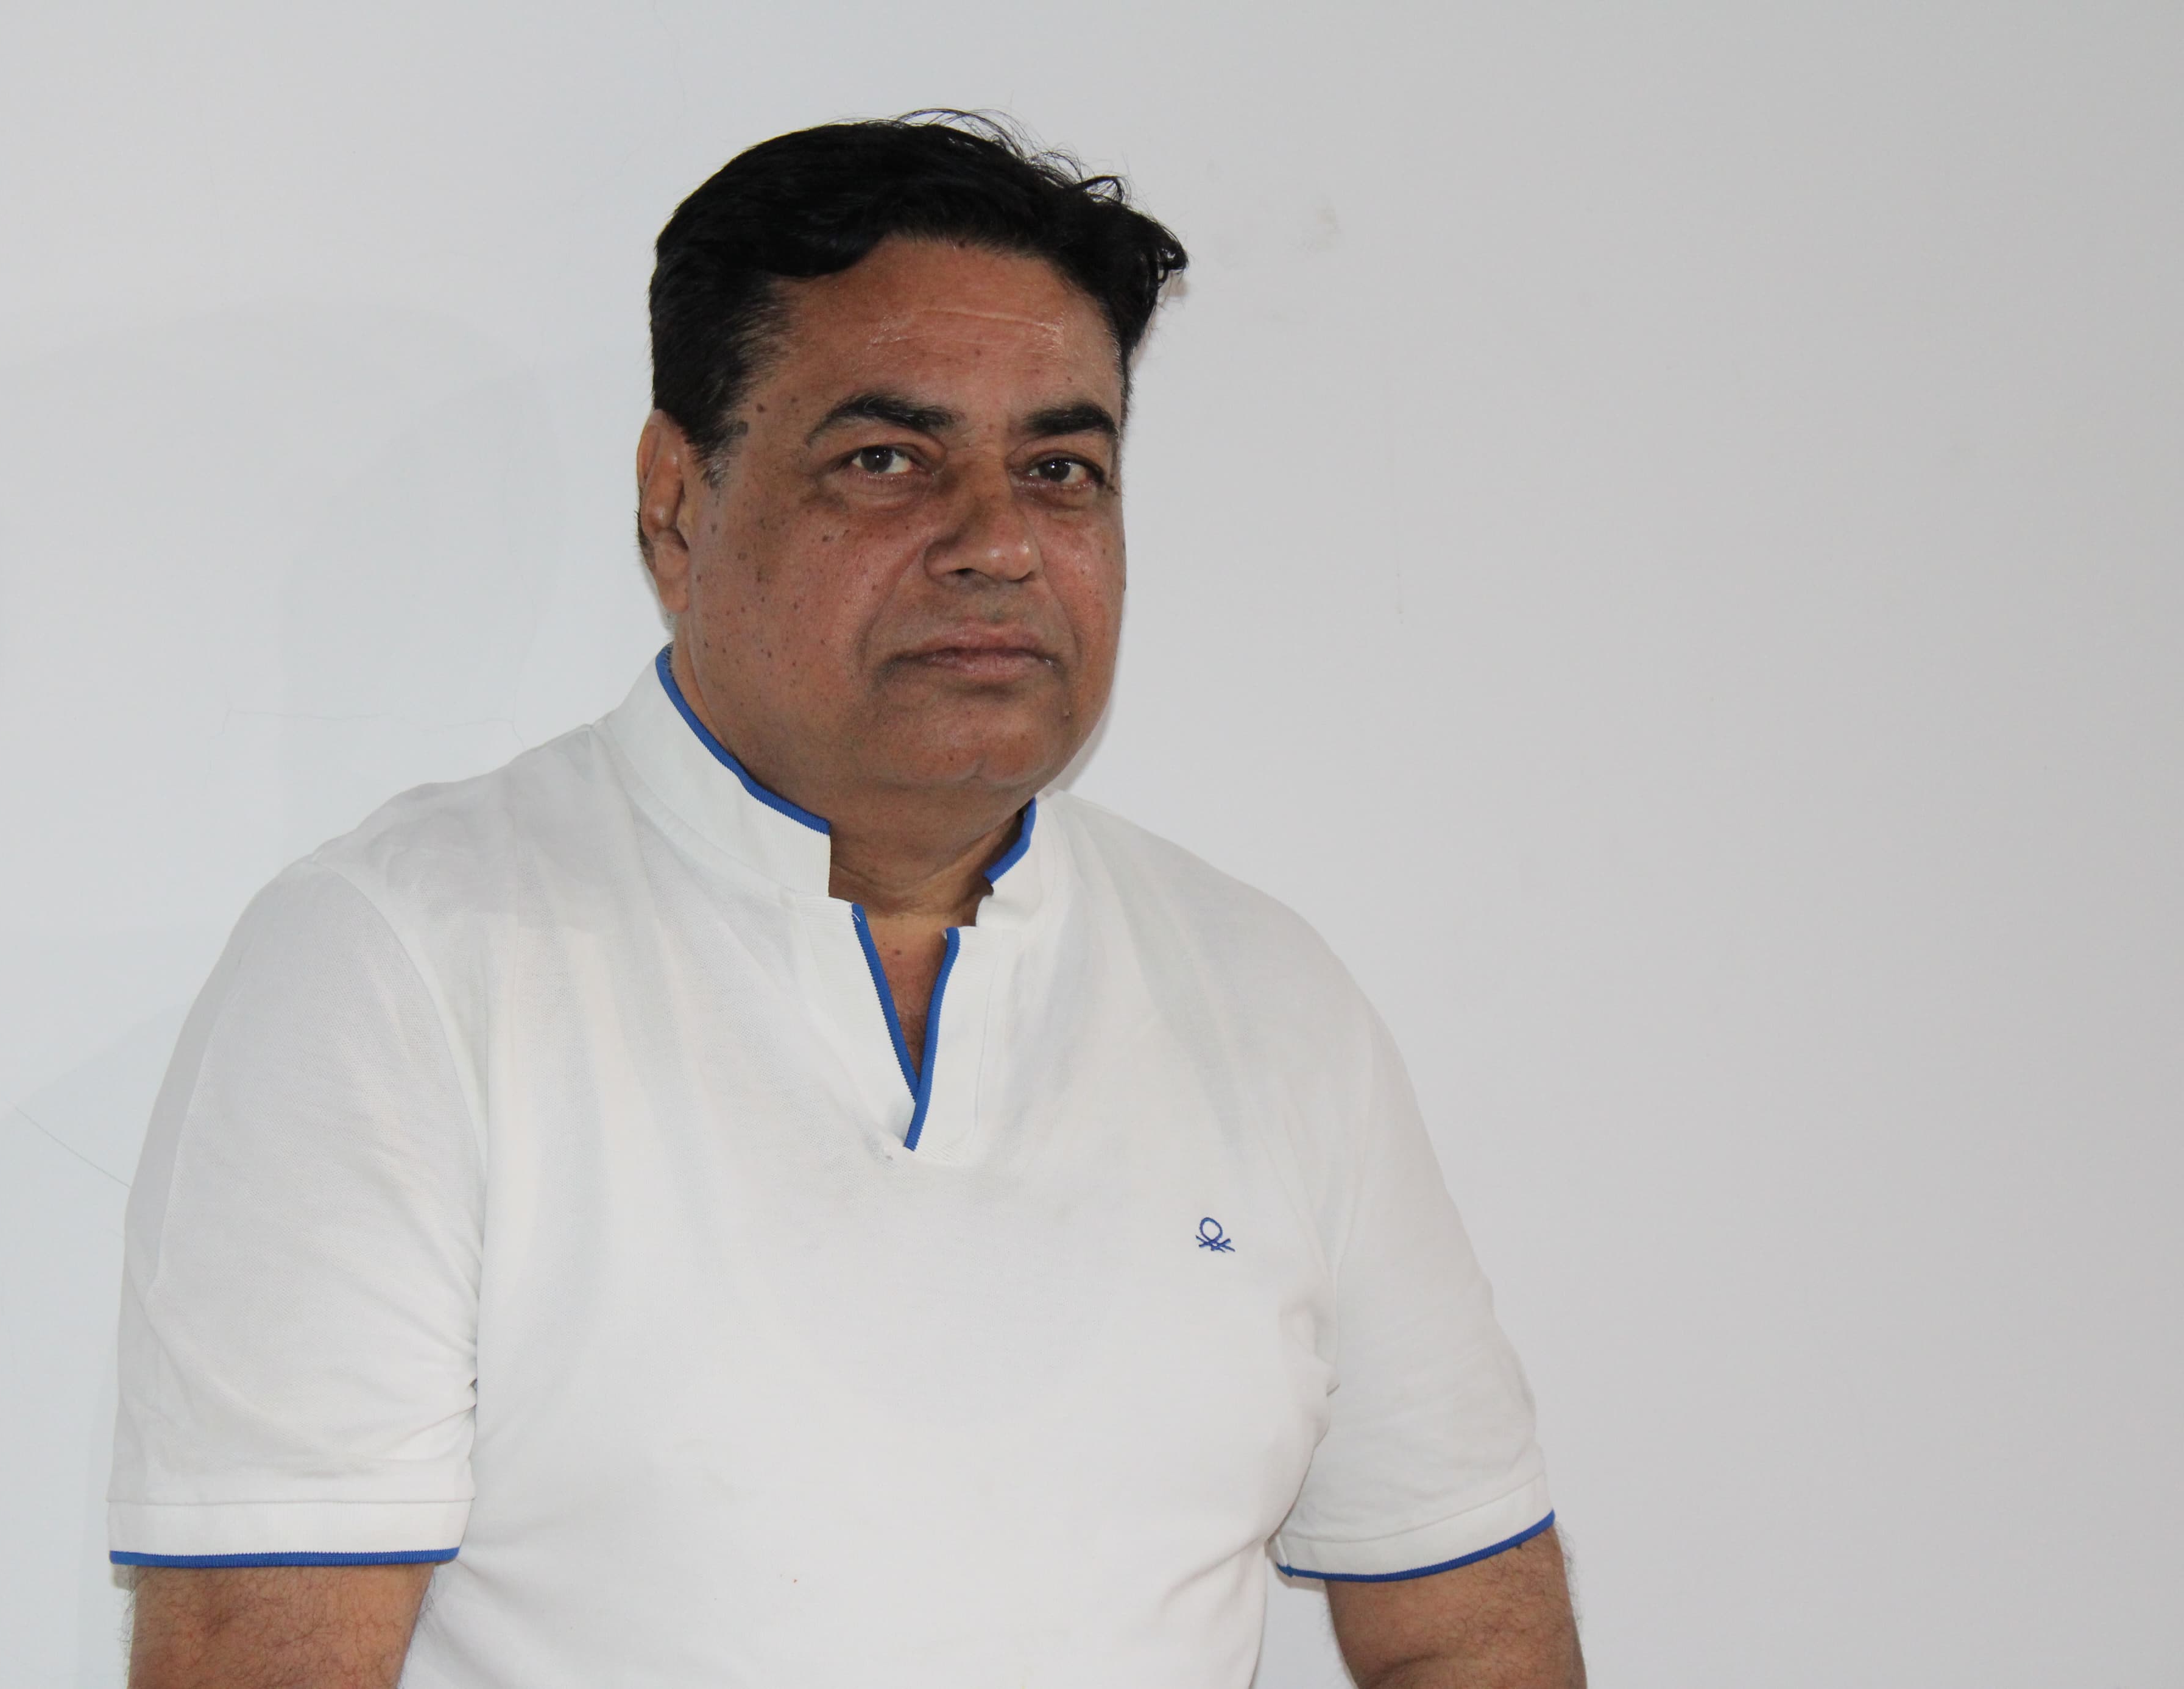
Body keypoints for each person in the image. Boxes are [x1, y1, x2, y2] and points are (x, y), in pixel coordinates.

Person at [108, 113, 1585, 1688]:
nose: (998, 543)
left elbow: (1469, 1635)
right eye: (887, 460)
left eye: (1062, 470)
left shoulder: (1268, 1001)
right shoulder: (399, 970)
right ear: (677, 501)